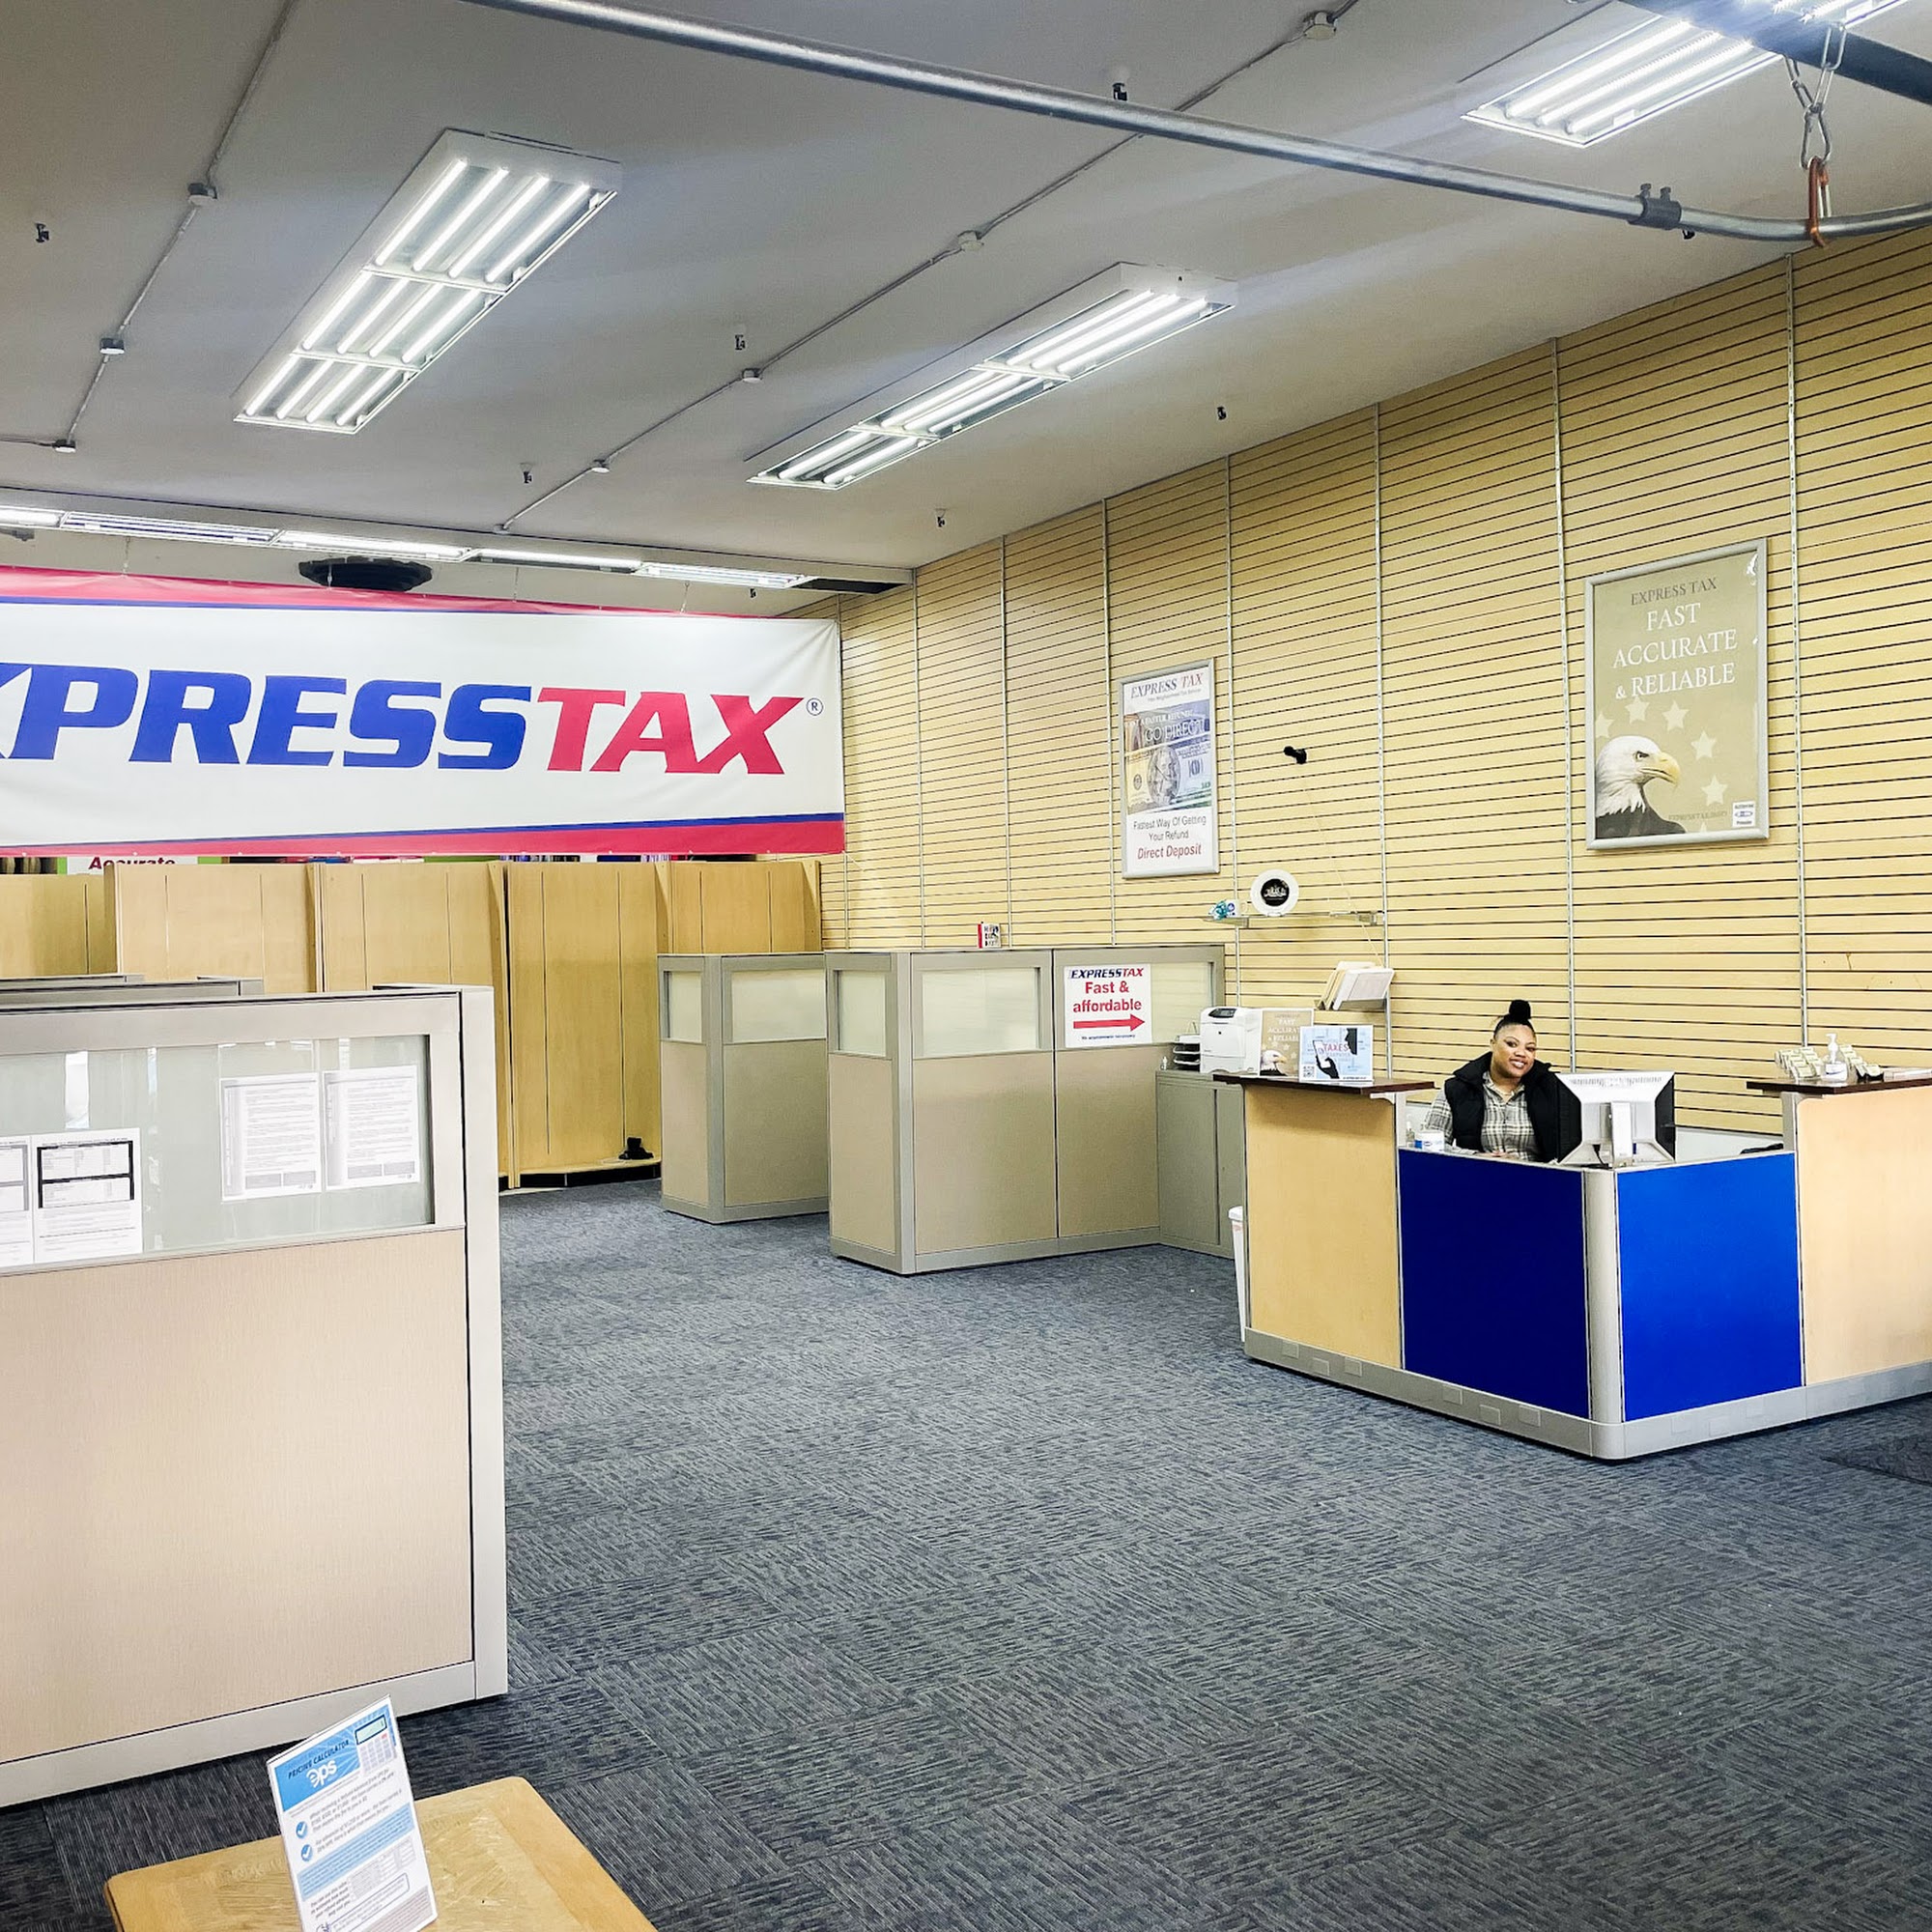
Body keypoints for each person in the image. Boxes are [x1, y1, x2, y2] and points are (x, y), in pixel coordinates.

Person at [1414, 999, 1564, 1162]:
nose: (1521, 1053)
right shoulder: (1457, 1088)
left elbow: (1571, 1151)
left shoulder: (1552, 1088)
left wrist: (1527, 1165)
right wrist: (1477, 1157)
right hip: (1475, 1175)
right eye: (1512, 1044)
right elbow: (1430, 1146)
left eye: (1530, 1048)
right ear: (1493, 1044)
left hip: (1538, 1176)